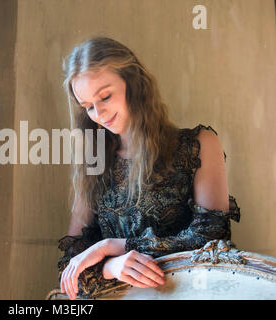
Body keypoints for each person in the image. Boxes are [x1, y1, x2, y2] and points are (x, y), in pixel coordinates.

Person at [58, 36, 241, 300]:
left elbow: (211, 240)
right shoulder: (94, 165)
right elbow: (69, 269)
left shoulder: (199, 145)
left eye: (105, 96)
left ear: (133, 82)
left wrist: (111, 246)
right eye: (88, 106)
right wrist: (112, 266)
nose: (98, 113)